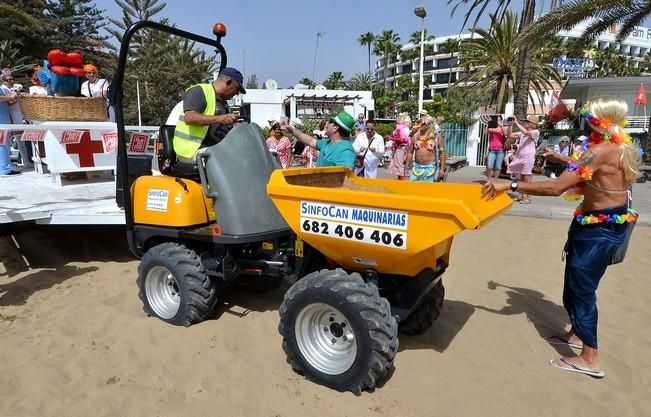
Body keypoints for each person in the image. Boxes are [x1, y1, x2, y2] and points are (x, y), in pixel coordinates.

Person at [481, 96, 641, 379]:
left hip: (597, 231)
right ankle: (578, 335)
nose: (585, 118)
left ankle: (590, 358)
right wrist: (563, 159)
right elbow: (594, 171)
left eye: (589, 115)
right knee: (577, 284)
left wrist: (509, 183)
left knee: (581, 290)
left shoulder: (599, 150)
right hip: (603, 225)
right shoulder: (619, 147)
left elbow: (556, 188)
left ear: (598, 121)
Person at [172, 67, 245, 163]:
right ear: (228, 82)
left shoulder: (223, 102)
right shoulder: (199, 91)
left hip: (213, 149)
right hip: (190, 151)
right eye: (237, 88)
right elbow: (189, 118)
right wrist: (219, 119)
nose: (237, 93)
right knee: (224, 161)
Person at [280, 110, 356, 168]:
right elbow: (310, 141)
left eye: (330, 122)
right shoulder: (327, 143)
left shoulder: (346, 150)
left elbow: (346, 176)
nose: (327, 125)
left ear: (335, 128)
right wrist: (292, 130)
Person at [505, 115, 540, 204]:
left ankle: (528, 197)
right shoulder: (522, 134)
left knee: (527, 177)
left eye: (527, 121)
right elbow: (509, 135)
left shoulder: (536, 132)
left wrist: (516, 122)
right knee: (519, 177)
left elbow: (526, 132)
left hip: (528, 157)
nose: (525, 123)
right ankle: (520, 195)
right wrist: (510, 125)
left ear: (533, 124)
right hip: (520, 157)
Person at [1, 69, 31, 168]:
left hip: (15, 117)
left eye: (12, 79)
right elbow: (9, 102)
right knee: (8, 142)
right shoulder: (4, 89)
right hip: (11, 118)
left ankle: (24, 161)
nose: (12, 81)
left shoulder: (9, 89)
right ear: (4, 81)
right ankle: (8, 164)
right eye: (9, 79)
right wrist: (16, 96)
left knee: (18, 141)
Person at [0, 81, 20, 176]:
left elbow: (6, 104)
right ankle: (4, 169)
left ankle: (6, 167)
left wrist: (15, 99)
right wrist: (9, 97)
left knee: (5, 144)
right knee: (2, 145)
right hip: (1, 122)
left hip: (4, 121)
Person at [387, 112, 412, 180]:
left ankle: (402, 183)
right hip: (398, 148)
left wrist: (391, 138)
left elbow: (403, 140)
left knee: (399, 166)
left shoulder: (405, 129)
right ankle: (400, 180)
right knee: (397, 165)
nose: (397, 118)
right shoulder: (399, 127)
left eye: (400, 117)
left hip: (401, 147)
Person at [485, 116, 507, 181]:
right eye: (496, 120)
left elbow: (506, 134)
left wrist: (501, 126)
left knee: (498, 167)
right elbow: (485, 133)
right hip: (492, 150)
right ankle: (489, 180)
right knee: (489, 166)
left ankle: (495, 181)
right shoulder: (491, 127)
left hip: (500, 150)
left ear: (501, 121)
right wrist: (488, 124)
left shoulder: (502, 128)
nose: (497, 121)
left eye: (499, 120)